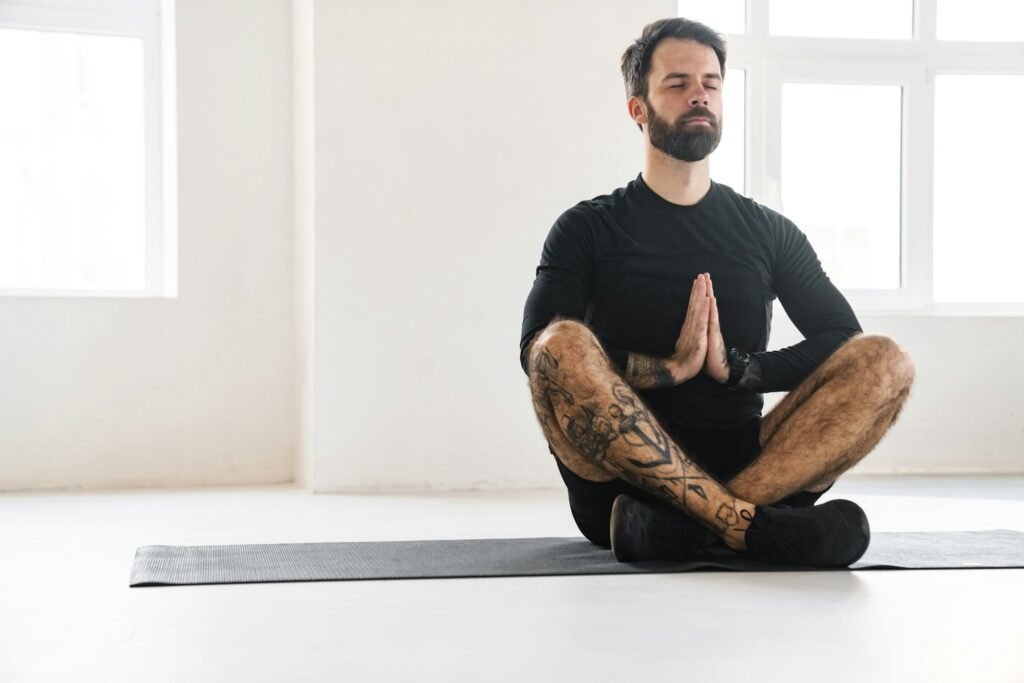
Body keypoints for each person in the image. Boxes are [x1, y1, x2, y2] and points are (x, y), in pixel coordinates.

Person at [519, 17, 915, 567]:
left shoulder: (767, 231)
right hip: (619, 485)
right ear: (639, 109)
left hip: (746, 465)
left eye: (711, 82)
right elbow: (537, 351)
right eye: (678, 83)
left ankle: (702, 526)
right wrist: (668, 369)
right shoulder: (587, 228)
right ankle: (748, 527)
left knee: (885, 362)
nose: (698, 95)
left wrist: (739, 370)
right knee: (557, 342)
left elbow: (841, 337)